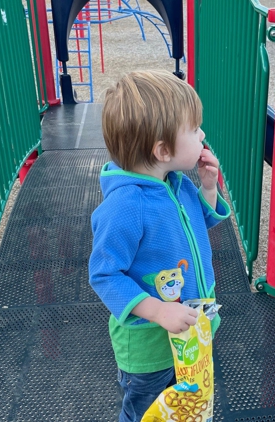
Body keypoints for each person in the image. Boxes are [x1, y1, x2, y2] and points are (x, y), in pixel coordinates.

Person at [89, 70, 231, 422]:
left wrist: (209, 189)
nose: (202, 135)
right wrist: (157, 310)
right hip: (150, 346)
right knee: (147, 411)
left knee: (189, 403)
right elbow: (105, 275)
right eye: (194, 129)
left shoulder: (176, 183)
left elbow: (195, 226)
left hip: (191, 331)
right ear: (163, 150)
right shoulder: (125, 206)